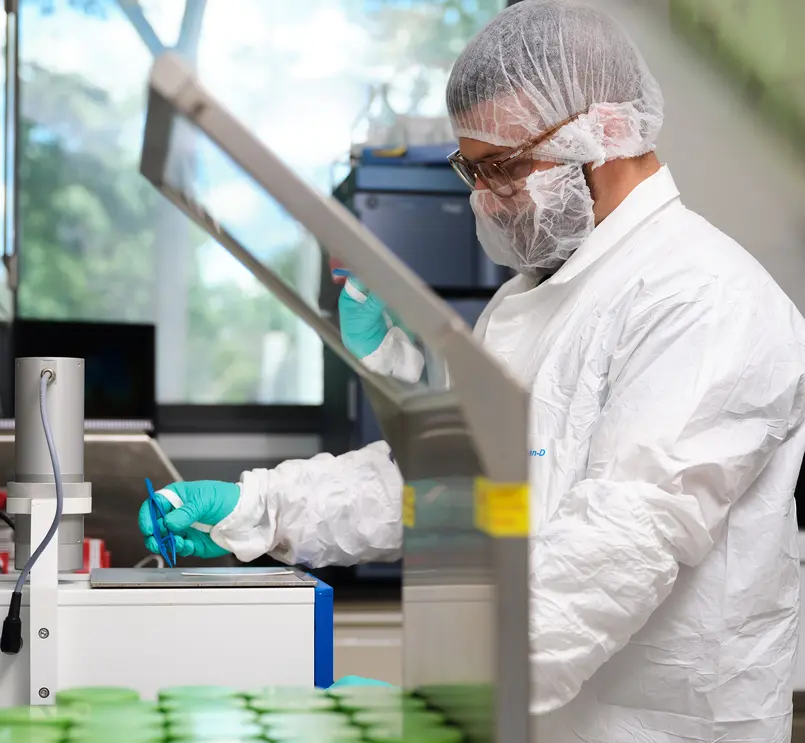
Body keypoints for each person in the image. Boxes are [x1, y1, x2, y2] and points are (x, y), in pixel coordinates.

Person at [139, 1, 805, 740]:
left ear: (607, 131)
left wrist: (453, 691)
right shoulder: (526, 301)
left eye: (506, 166)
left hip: (654, 726)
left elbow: (627, 530)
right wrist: (257, 509)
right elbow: (440, 486)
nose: (484, 197)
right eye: (473, 169)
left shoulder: (703, 295)